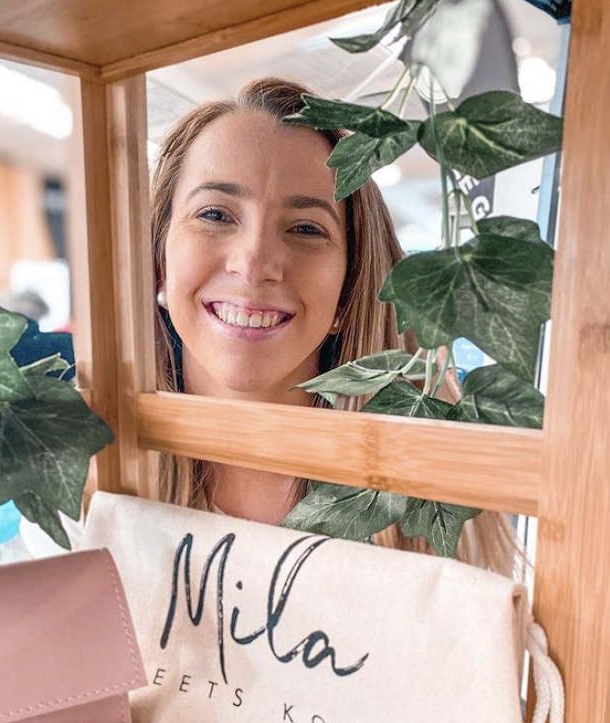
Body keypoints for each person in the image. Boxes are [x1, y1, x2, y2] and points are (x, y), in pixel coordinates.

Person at [151, 76, 525, 580]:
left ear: (349, 291)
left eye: (307, 228)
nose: (256, 261)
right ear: (159, 263)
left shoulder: (436, 496)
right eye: (215, 214)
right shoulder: (93, 471)